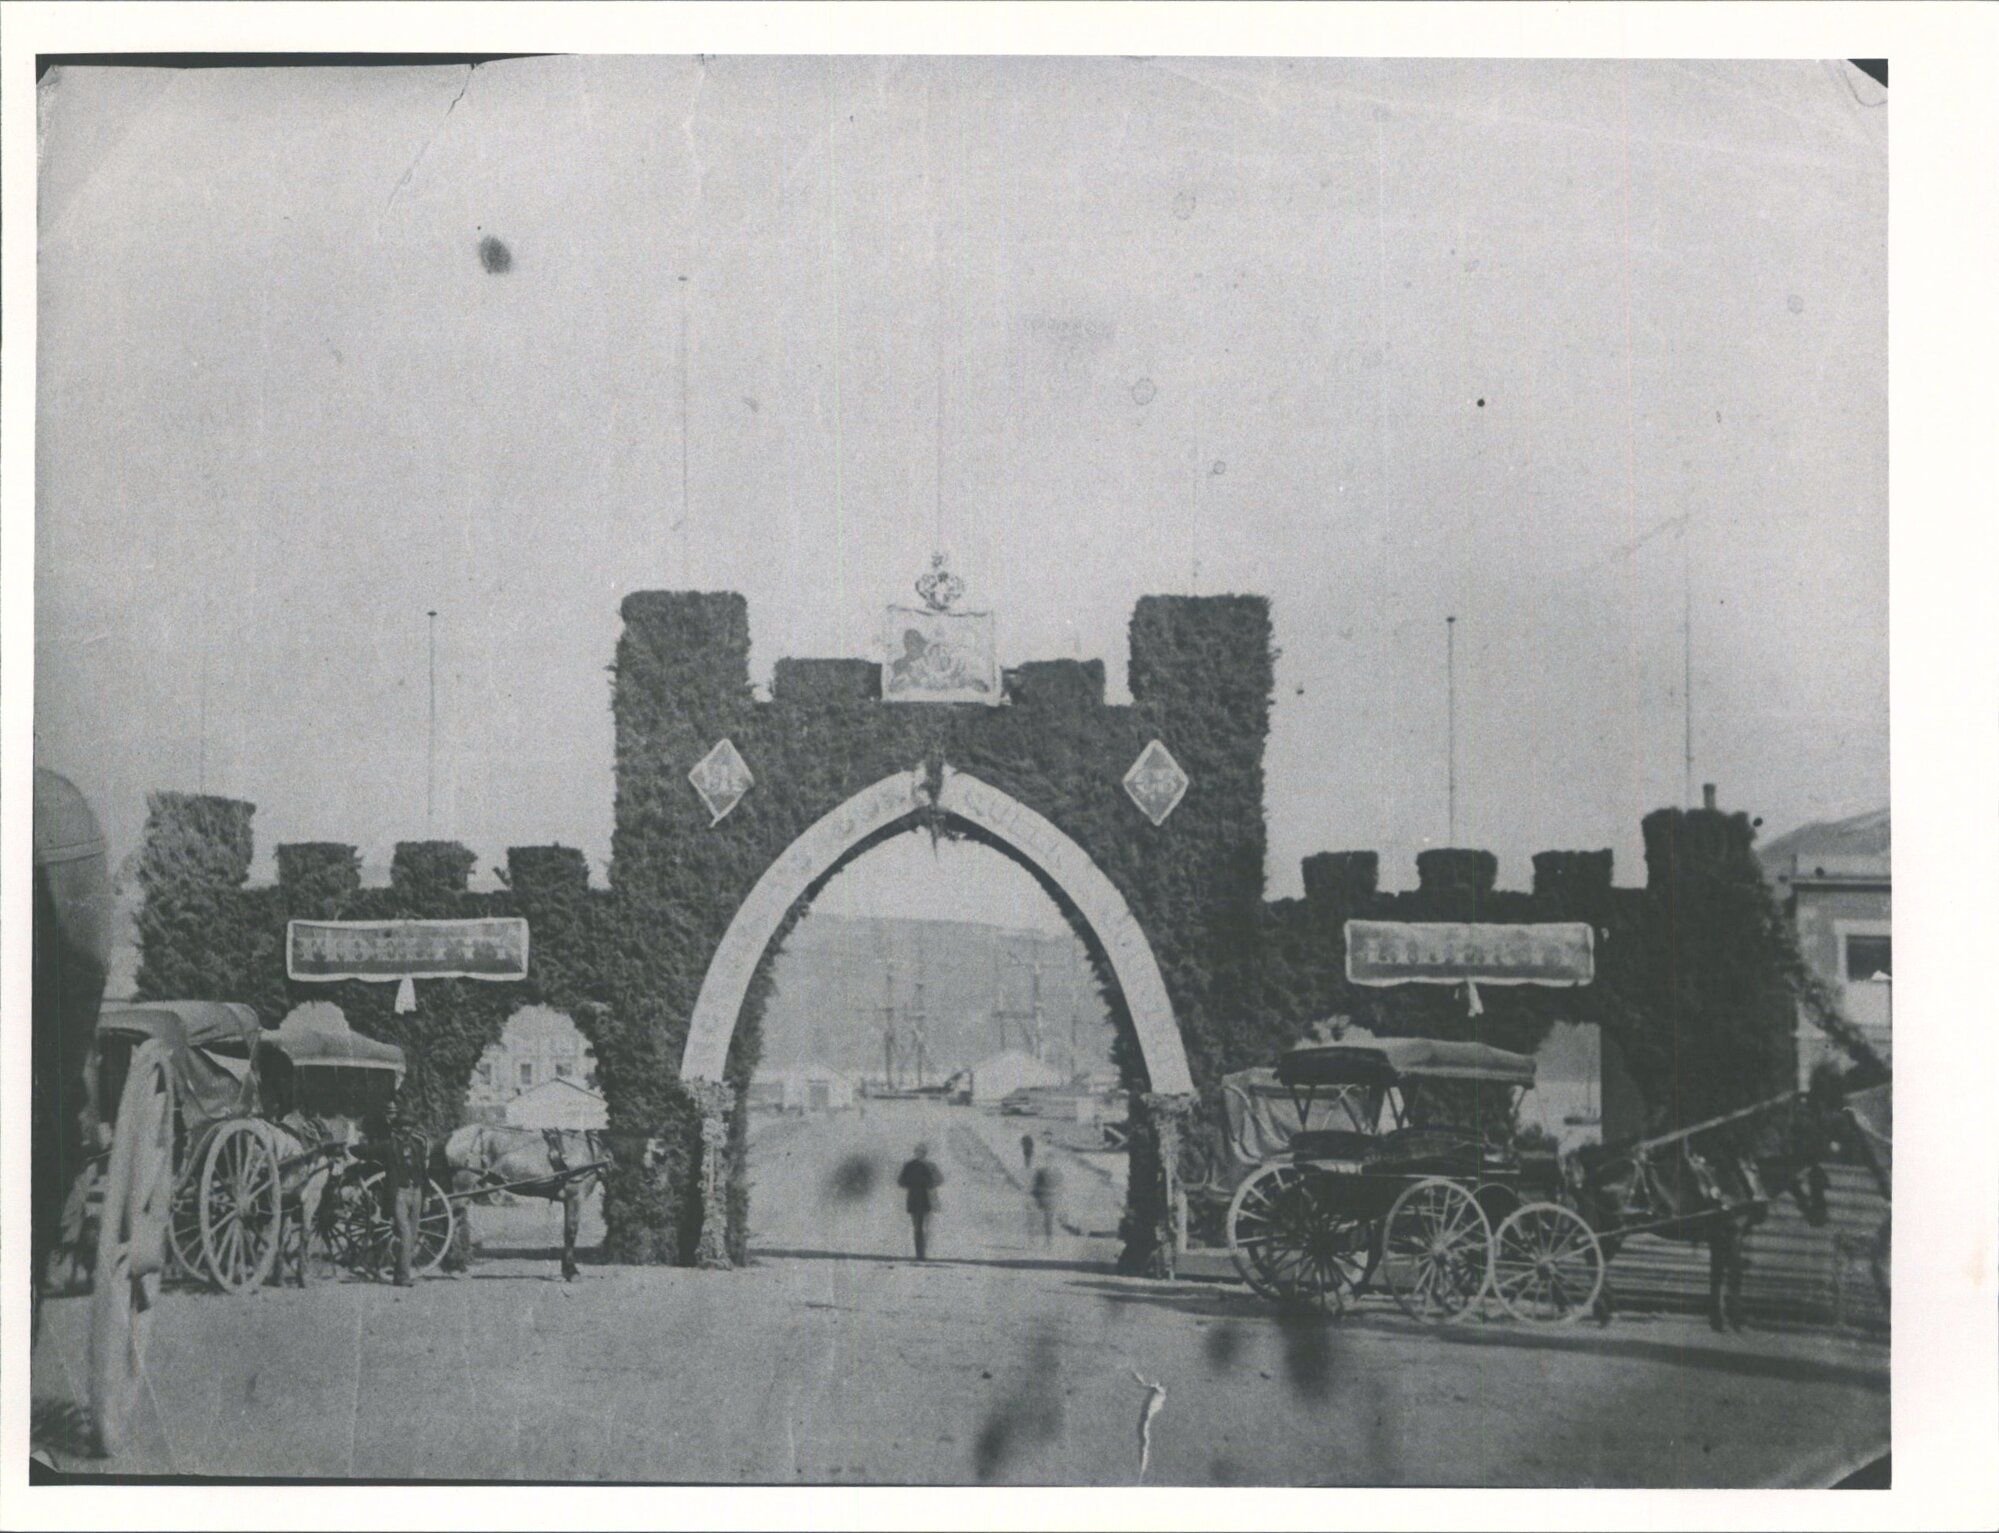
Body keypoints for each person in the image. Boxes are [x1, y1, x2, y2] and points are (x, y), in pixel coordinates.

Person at [896, 1143, 944, 1261]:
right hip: (916, 1197)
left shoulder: (929, 1165)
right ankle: (920, 1254)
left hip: (925, 1197)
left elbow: (939, 1179)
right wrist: (915, 1183)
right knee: (918, 1227)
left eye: (922, 1152)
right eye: (919, 1152)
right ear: (916, 1152)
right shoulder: (910, 1165)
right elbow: (901, 1181)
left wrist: (928, 1184)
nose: (920, 1154)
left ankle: (921, 1254)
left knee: (923, 1226)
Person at [1030, 1166, 1060, 1247]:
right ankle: (1046, 1242)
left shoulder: (1041, 1172)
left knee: (1043, 1221)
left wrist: (1034, 1193)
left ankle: (1046, 1242)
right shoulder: (1054, 1172)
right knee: (1046, 1222)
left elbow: (1035, 1187)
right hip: (1047, 1199)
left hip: (1044, 1199)